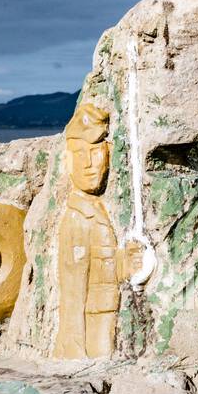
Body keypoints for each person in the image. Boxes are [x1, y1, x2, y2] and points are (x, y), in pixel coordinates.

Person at [54, 100, 142, 359]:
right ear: (68, 161)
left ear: (108, 154)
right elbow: (72, 295)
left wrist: (123, 264)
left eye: (95, 153)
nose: (89, 164)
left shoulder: (95, 209)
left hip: (105, 318)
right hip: (90, 330)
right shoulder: (77, 218)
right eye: (80, 155)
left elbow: (100, 268)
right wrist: (75, 351)